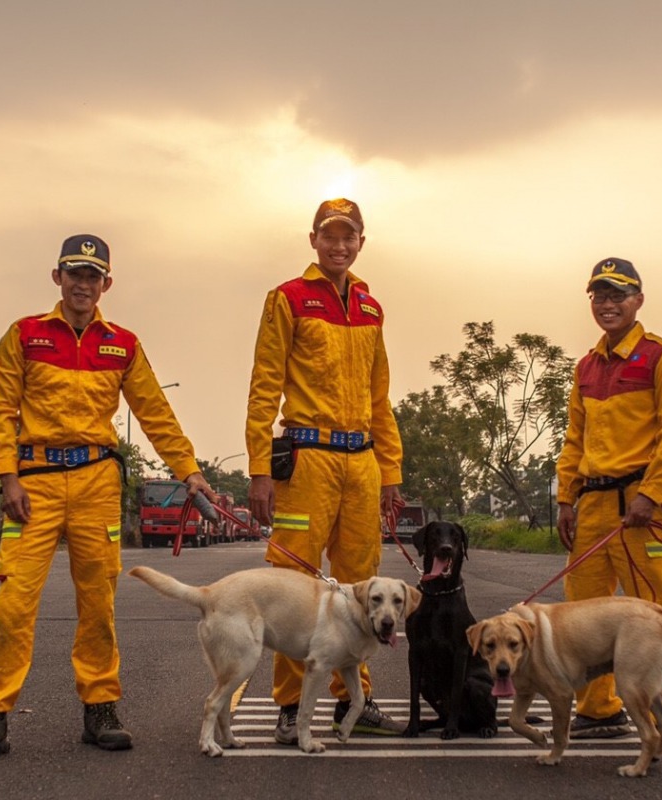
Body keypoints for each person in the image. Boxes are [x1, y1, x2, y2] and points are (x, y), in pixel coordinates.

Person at [0, 234, 214, 763]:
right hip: (34, 485)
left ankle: (101, 709)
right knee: (13, 603)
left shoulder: (123, 344)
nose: (83, 283)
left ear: (106, 284)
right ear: (58, 277)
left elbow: (154, 413)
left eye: (93, 276)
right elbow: (1, 409)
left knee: (98, 605)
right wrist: (8, 478)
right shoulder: (24, 335)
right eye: (74, 273)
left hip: (96, 483)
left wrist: (189, 471)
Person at [245, 198, 405, 745]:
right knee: (296, 587)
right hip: (306, 460)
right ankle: (291, 708)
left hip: (361, 461)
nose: (340, 245)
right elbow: (265, 385)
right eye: (330, 236)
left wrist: (391, 471)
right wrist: (259, 468)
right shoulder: (288, 298)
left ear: (362, 241)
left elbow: (380, 398)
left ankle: (350, 702)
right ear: (313, 240)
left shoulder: (371, 307)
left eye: (350, 236)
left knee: (361, 590)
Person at [554, 257, 662, 758]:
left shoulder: (661, 358)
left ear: (638, 300)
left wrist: (651, 493)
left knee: (653, 618)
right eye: (599, 296)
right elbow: (575, 439)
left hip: (641, 508)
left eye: (617, 295)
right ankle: (598, 710)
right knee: (581, 616)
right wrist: (565, 498)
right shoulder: (587, 367)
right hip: (591, 506)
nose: (607, 304)